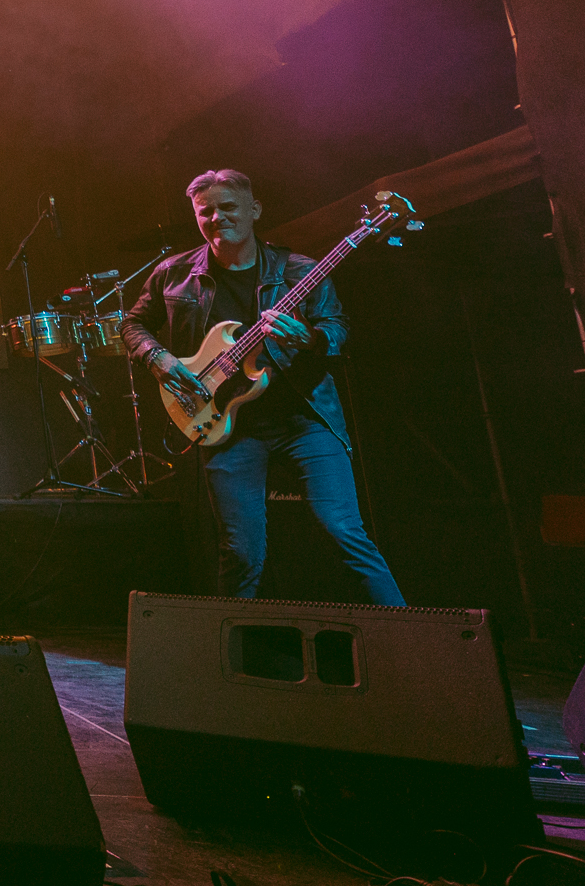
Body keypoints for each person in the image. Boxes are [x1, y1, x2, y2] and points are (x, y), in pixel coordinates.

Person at [125, 169, 404, 605]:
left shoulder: (301, 270)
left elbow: (338, 327)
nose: (216, 218)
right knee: (240, 552)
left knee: (343, 531)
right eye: (205, 212)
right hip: (226, 425)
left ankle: (407, 632)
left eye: (228, 207)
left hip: (304, 416)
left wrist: (309, 338)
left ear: (254, 210)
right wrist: (157, 357)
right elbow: (133, 324)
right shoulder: (173, 273)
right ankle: (232, 642)